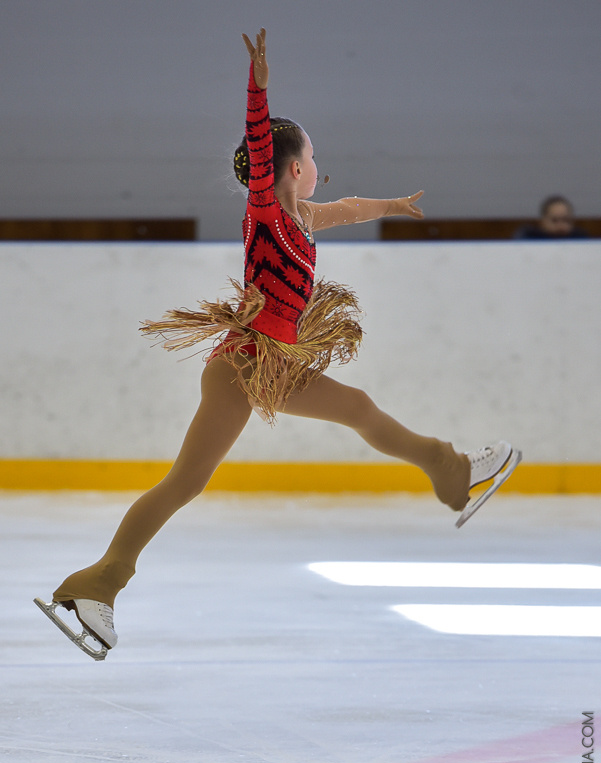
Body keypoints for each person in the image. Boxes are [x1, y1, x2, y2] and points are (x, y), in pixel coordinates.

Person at [34, 28, 521, 660]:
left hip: (273, 365)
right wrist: (258, 87)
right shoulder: (266, 208)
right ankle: (98, 584)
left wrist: (394, 205)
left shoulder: (305, 218)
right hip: (242, 365)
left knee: (358, 407)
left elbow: (346, 207)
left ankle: (450, 470)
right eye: (314, 157)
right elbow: (261, 146)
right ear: (293, 168)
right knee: (187, 482)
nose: (321, 168)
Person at [514, 195, 588, 240]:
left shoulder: (580, 240)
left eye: (566, 220)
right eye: (554, 220)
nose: (560, 226)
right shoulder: (529, 239)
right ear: (542, 221)